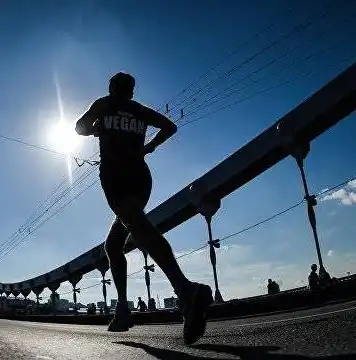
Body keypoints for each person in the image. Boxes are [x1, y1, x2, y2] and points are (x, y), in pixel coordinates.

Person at [75, 72, 213, 345]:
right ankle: (123, 310)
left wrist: (98, 128)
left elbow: (79, 128)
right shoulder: (139, 110)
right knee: (114, 246)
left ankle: (186, 291)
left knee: (137, 227)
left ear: (112, 88)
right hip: (141, 177)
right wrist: (147, 148)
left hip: (116, 177)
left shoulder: (103, 104)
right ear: (133, 91)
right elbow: (170, 127)